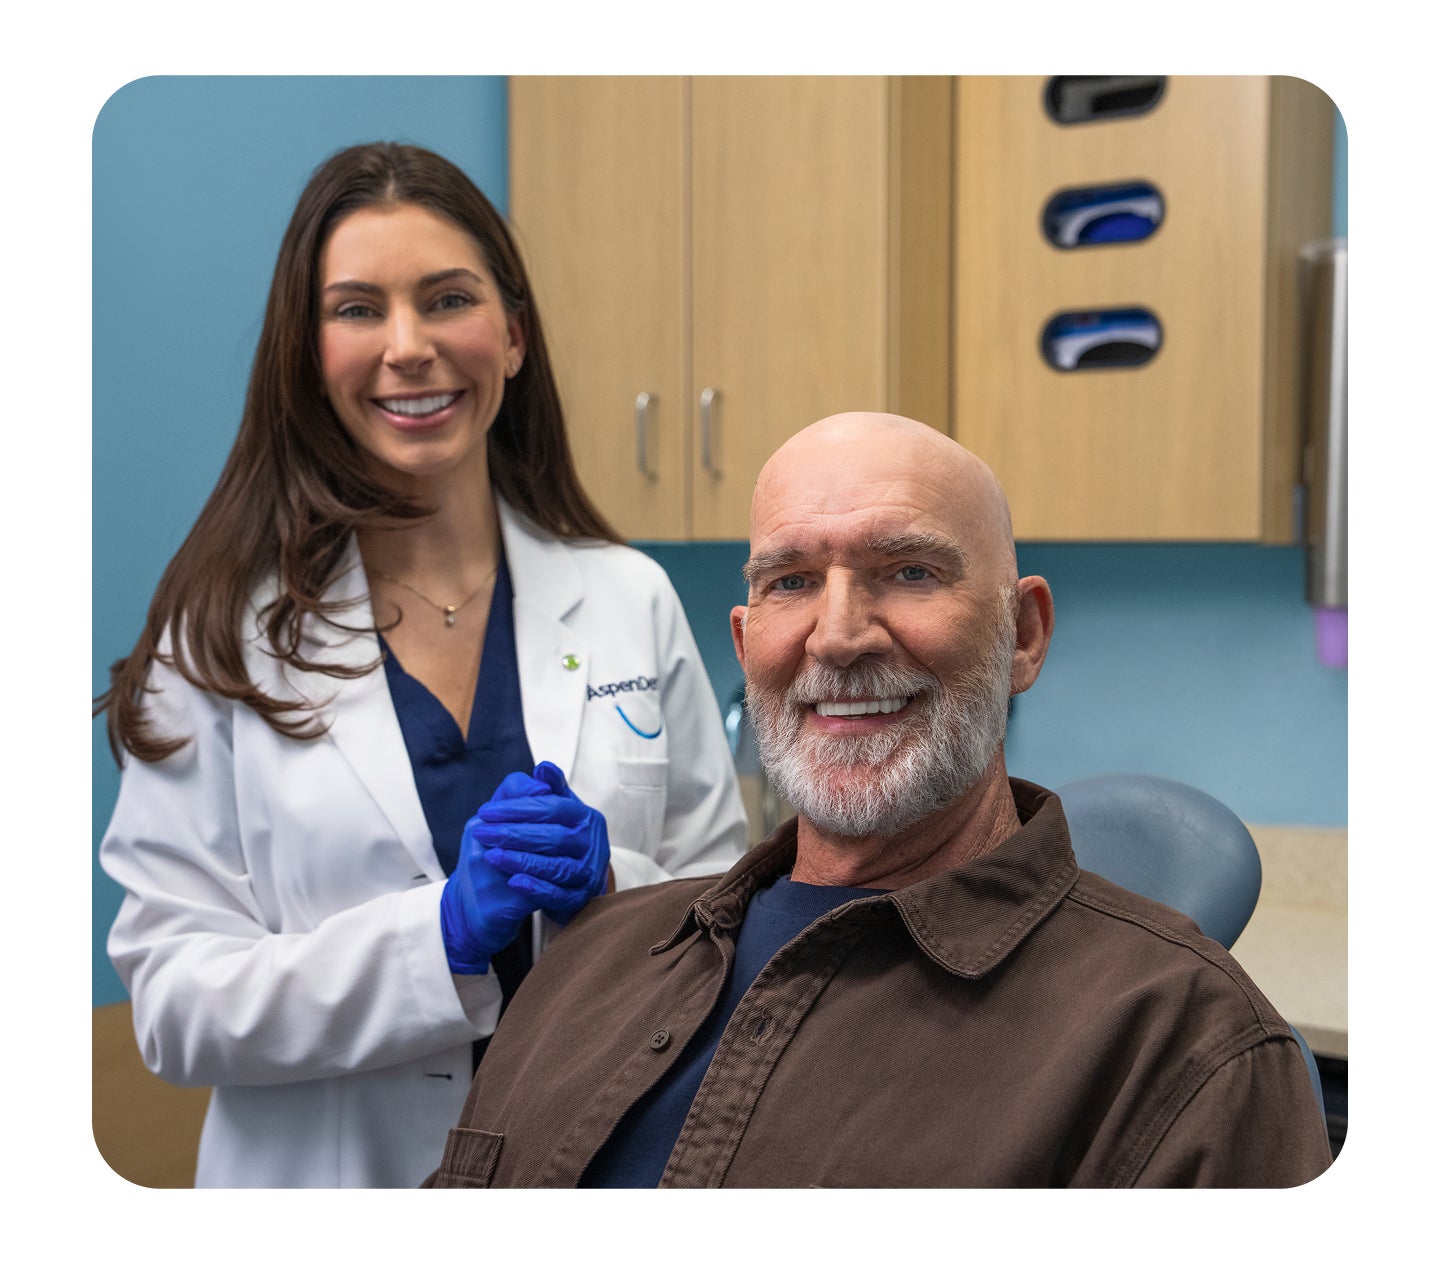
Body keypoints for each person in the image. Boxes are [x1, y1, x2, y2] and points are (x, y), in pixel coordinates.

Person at [425, 412, 1334, 1189]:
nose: (838, 636)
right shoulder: (587, 965)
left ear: (1023, 634)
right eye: (790, 581)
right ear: (746, 646)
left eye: (909, 572)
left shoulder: (1182, 1048)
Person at [96, 142, 748, 1189]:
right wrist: (437, 933)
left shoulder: (628, 598)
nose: (409, 347)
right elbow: (174, 1005)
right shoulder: (218, 638)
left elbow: (724, 917)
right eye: (358, 309)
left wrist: (612, 893)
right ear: (308, 354)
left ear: (516, 336)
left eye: (448, 299)